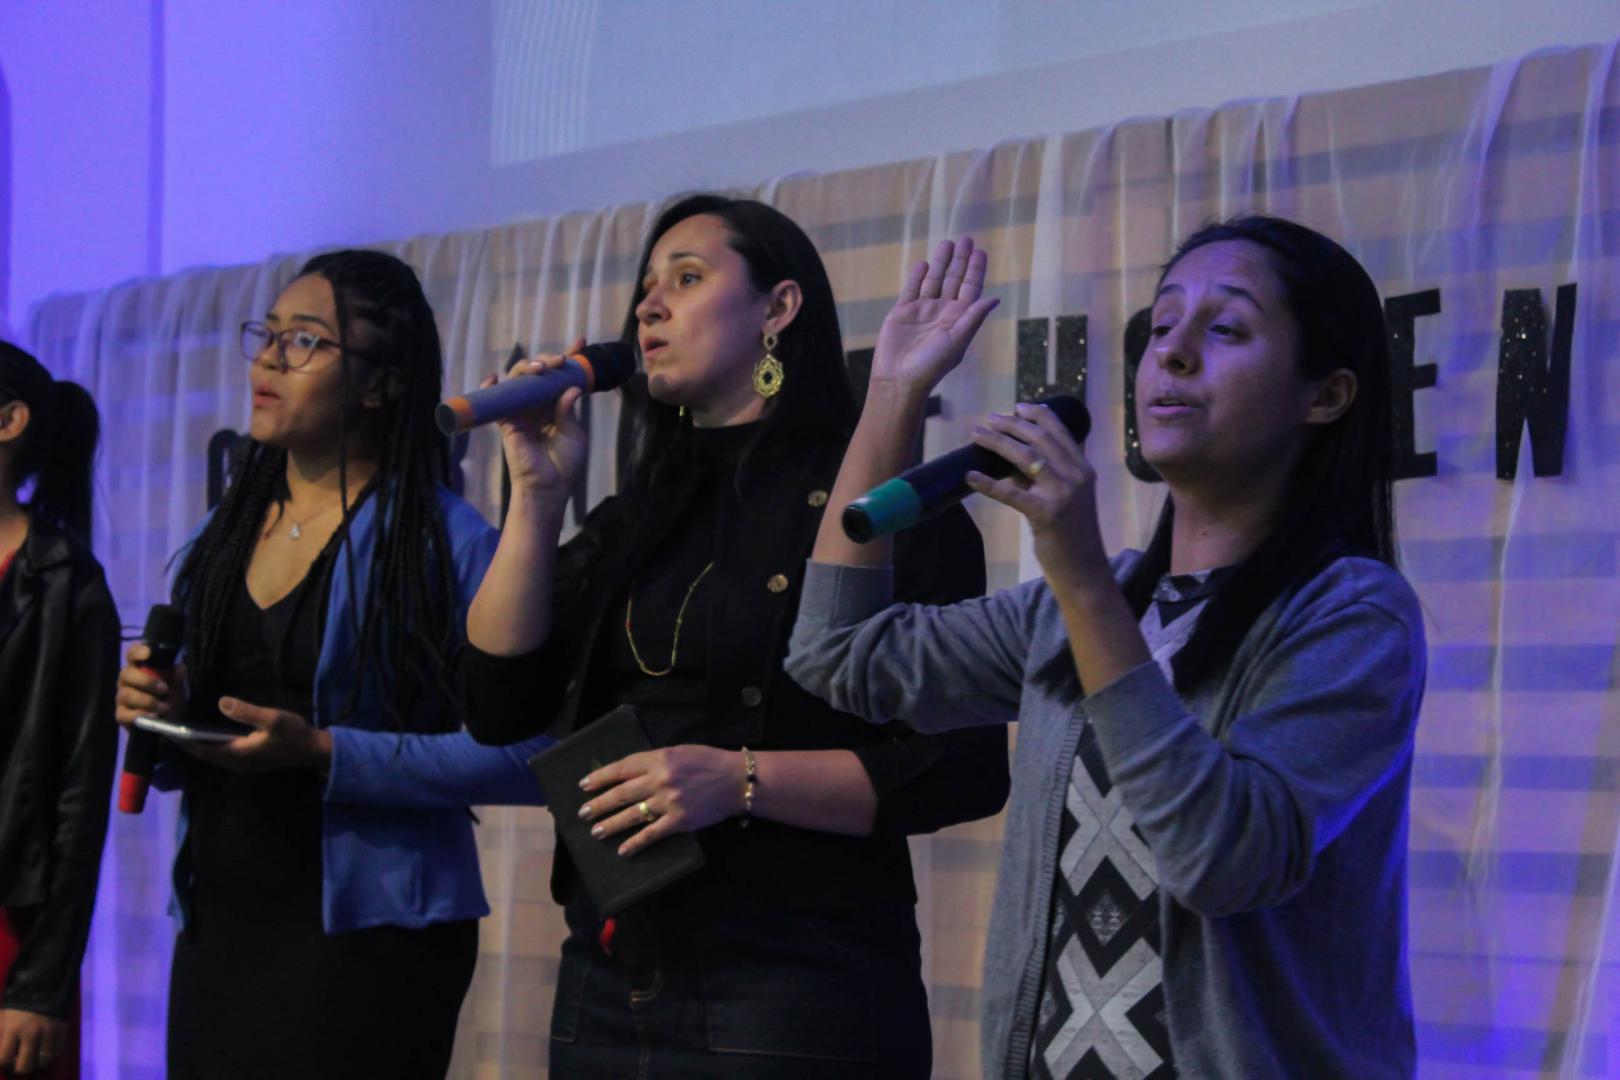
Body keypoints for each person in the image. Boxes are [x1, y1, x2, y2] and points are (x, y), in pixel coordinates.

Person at [788, 216, 1427, 1079]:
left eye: (1226, 329)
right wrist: (894, 395)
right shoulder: (1077, 604)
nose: (1173, 354)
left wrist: (1083, 576)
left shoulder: (1351, 614)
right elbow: (837, 654)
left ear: (1327, 395)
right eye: (1160, 326)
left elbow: (1220, 859)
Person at [459, 193, 1010, 1077]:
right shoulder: (637, 513)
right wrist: (536, 495)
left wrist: (739, 781)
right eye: (646, 287)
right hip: (610, 963)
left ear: (778, 309)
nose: (649, 307)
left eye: (686, 278)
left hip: (796, 977)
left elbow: (963, 765)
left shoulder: (874, 505)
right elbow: (497, 705)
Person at [112, 251, 551, 1080]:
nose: (272, 359)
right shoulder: (219, 537)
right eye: (269, 335)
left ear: (381, 384)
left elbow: (534, 755)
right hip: (220, 921)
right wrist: (160, 712)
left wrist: (324, 752)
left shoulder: (446, 542)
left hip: (370, 944)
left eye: (306, 341)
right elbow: (204, 738)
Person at [0, 344, 118, 1080]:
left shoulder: (67, 585)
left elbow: (81, 796)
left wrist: (41, 984)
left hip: (12, 936)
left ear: (8, 422)